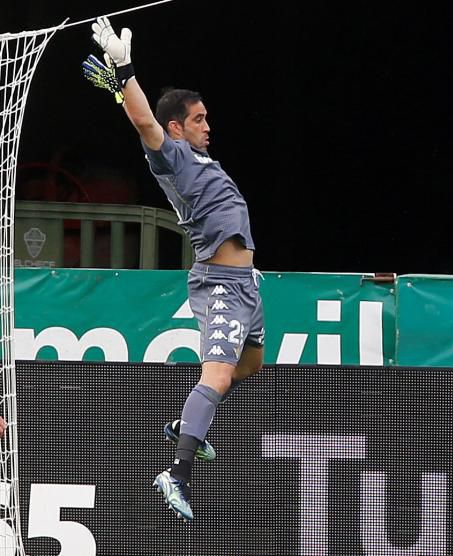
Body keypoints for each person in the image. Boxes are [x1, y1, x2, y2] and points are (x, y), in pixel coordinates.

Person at [87, 17, 265, 522]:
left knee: (248, 366)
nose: (209, 125)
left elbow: (148, 119)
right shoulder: (175, 158)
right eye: (200, 118)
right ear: (177, 128)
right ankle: (178, 470)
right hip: (221, 284)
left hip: (247, 287)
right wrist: (125, 72)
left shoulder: (200, 159)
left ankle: (185, 426)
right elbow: (144, 122)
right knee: (218, 372)